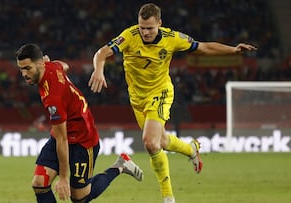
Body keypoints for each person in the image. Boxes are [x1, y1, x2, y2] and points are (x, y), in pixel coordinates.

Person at [88, 3, 257, 203]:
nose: (145, 32)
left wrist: (233, 50)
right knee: (161, 142)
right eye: (142, 27)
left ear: (159, 23)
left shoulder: (172, 38)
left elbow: (203, 47)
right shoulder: (130, 36)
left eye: (150, 28)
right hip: (137, 99)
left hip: (160, 92)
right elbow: (102, 53)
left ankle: (168, 196)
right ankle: (191, 150)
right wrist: (99, 69)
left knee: (150, 143)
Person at [15, 43, 143, 203]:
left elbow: (63, 139)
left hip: (83, 140)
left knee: (79, 198)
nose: (24, 74)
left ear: (40, 63)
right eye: (21, 69)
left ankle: (120, 166)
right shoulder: (51, 66)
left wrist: (63, 177)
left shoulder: (53, 97)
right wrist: (50, 64)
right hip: (62, 135)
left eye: (28, 68)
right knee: (39, 183)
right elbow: (64, 66)